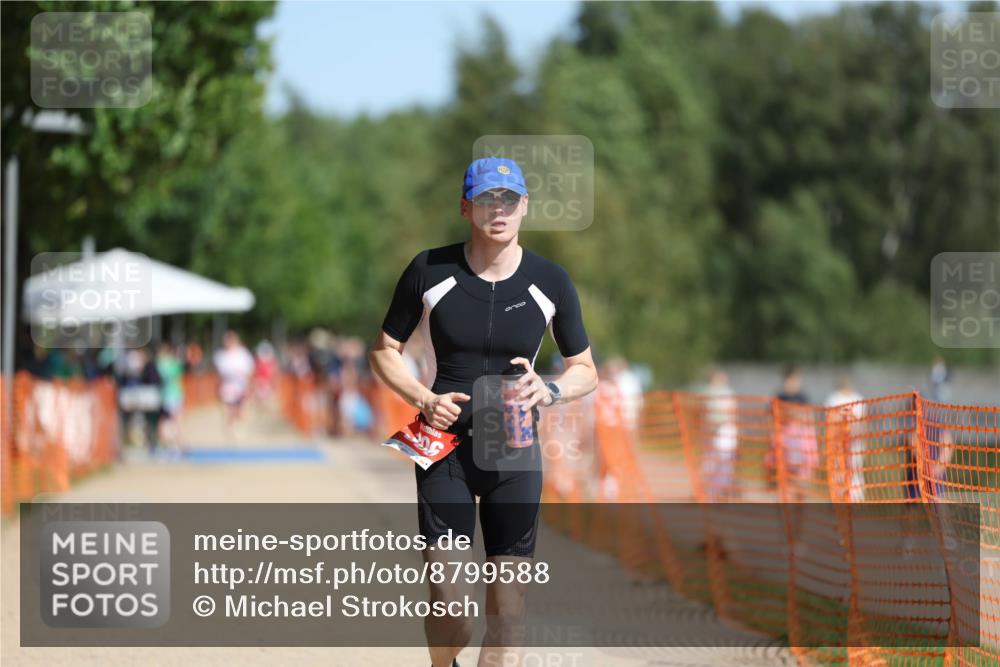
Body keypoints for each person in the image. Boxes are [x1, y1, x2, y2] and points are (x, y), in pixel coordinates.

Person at [369, 157, 598, 667]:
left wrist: (552, 389)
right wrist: (422, 398)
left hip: (514, 452)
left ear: (525, 207)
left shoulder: (550, 281)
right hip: (443, 446)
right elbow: (385, 349)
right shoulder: (429, 269)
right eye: (488, 199)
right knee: (453, 607)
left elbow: (585, 368)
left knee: (508, 614)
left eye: (509, 200)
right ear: (466, 207)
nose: (499, 210)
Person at [825, 376, 865, 501]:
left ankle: (856, 501)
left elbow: (863, 424)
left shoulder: (859, 398)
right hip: (838, 445)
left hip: (855, 446)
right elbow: (831, 423)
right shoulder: (833, 399)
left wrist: (854, 431)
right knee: (839, 474)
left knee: (855, 473)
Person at [701, 369, 738, 501]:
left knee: (725, 466)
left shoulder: (727, 394)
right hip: (711, 435)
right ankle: (711, 493)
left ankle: (720, 493)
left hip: (724, 435)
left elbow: (732, 414)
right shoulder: (707, 393)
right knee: (710, 465)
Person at [213, 331, 255, 440]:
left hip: (241, 387)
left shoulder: (243, 354)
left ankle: (239, 430)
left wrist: (249, 384)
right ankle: (231, 433)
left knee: (241, 411)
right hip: (227, 388)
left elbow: (249, 371)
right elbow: (218, 373)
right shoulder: (221, 355)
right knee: (228, 411)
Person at [156, 343, 185, 453]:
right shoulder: (172, 364)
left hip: (166, 396)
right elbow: (179, 375)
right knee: (175, 420)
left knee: (164, 421)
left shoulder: (159, 364)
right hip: (173, 396)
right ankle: (178, 444)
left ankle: (166, 444)